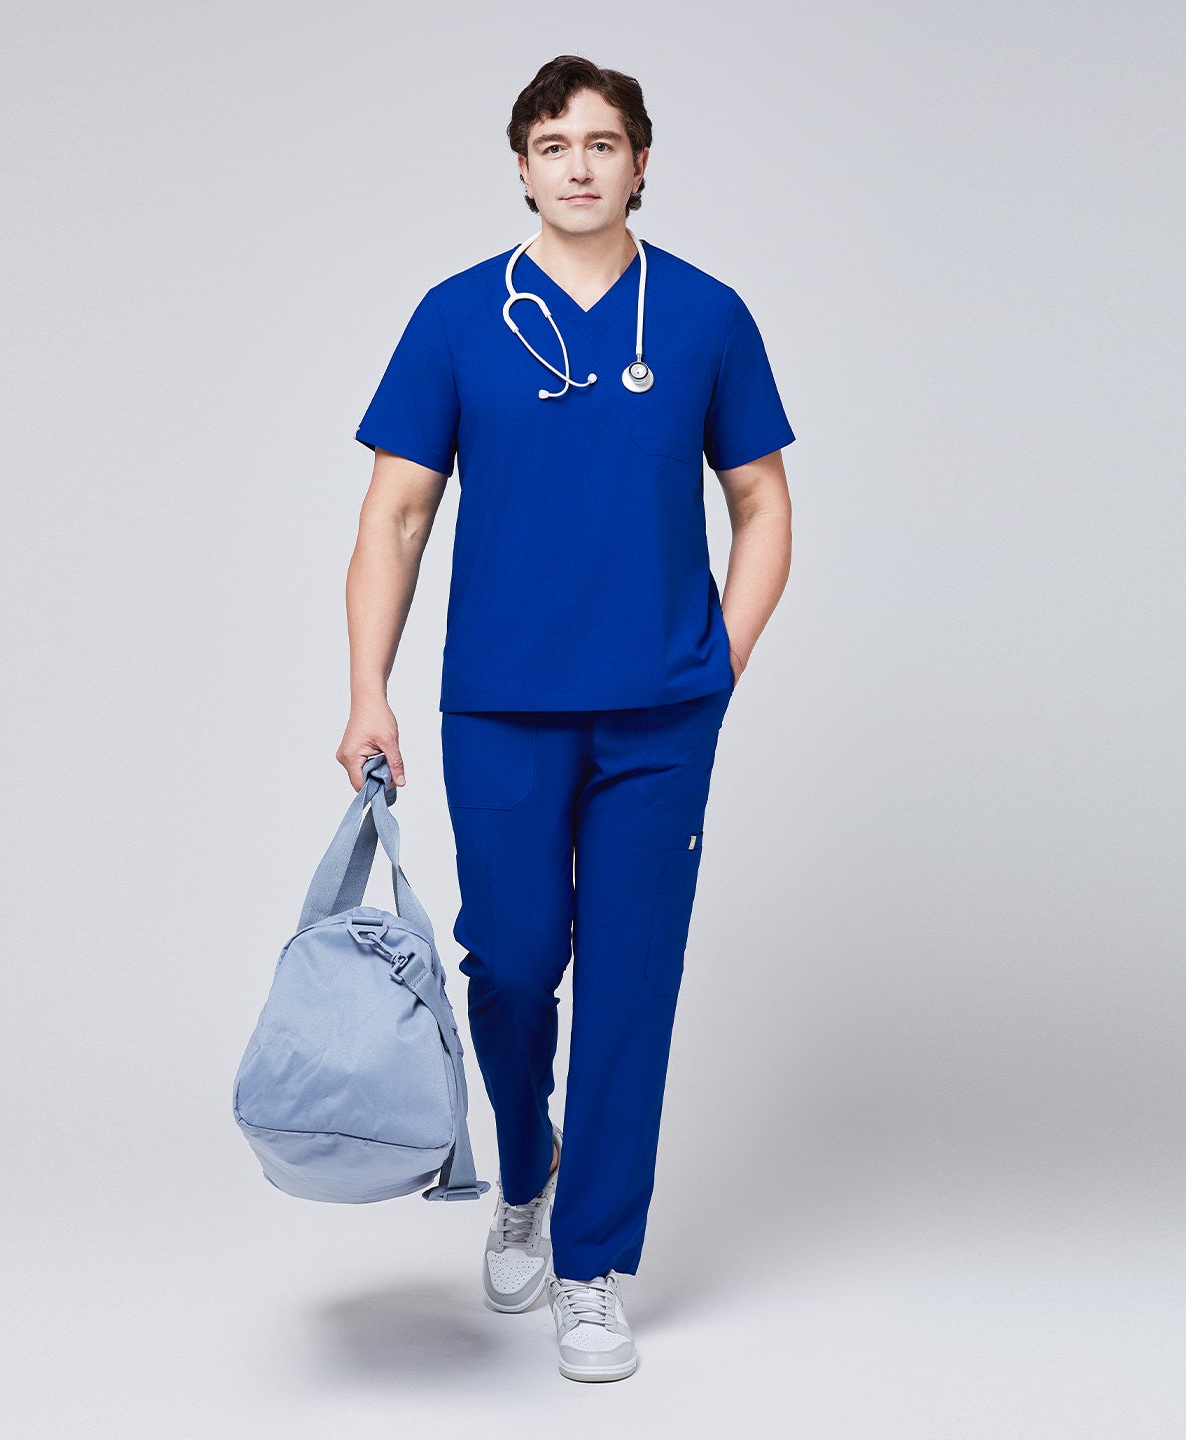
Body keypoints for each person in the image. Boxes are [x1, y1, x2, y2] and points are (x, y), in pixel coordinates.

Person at [338, 54, 796, 1382]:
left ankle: (590, 1263)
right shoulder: (457, 317)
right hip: (503, 707)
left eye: (605, 143)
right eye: (555, 143)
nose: (581, 164)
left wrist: (724, 656)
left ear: (642, 163)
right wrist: (367, 684)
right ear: (523, 166)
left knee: (635, 989)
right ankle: (523, 1173)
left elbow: (763, 505)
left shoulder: (704, 317)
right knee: (519, 959)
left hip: (662, 717)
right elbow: (397, 514)